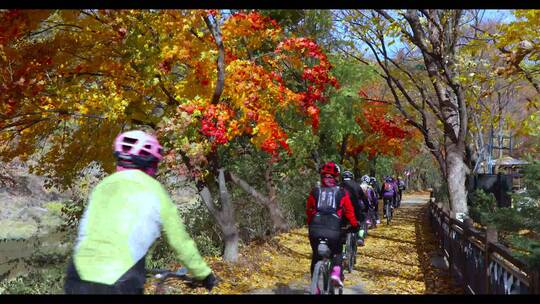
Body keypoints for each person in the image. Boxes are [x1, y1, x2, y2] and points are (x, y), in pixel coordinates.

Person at [64, 130, 217, 294]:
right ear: (151, 164)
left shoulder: (103, 186)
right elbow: (180, 241)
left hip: (77, 275)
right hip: (120, 281)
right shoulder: (155, 190)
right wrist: (204, 274)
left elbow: (86, 230)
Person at [306, 162, 359, 289]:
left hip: (315, 229)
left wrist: (310, 224)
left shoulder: (315, 191)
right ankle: (336, 273)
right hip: (334, 229)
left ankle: (315, 288)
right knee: (337, 252)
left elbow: (309, 210)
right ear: (336, 177)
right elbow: (349, 211)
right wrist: (354, 224)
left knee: (316, 256)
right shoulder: (341, 192)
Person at [341, 170, 367, 247]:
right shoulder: (357, 185)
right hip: (355, 210)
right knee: (362, 220)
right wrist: (366, 208)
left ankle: (342, 249)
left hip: (342, 210)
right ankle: (360, 237)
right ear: (352, 178)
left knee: (341, 226)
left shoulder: (339, 186)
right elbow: (364, 199)